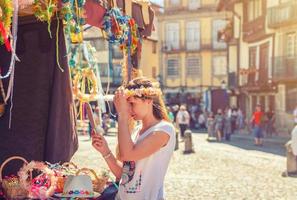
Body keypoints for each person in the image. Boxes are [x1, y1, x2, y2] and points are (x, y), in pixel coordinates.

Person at [91, 77, 176, 200]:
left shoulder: (164, 130)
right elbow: (125, 175)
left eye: (132, 103)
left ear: (148, 100)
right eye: (127, 105)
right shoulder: (137, 130)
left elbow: (127, 155)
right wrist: (105, 151)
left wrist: (123, 115)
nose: (128, 109)